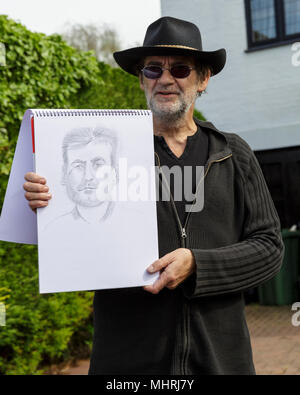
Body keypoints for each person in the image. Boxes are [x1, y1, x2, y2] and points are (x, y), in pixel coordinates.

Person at [23, 16, 284, 374]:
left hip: (220, 360)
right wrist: (40, 206)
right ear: (140, 78)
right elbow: (66, 235)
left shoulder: (234, 155)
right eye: (153, 69)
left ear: (203, 79)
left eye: (180, 69)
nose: (165, 79)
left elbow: (270, 248)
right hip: (127, 361)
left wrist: (197, 264)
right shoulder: (105, 154)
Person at [44, 127, 118, 228]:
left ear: (114, 173)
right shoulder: (53, 228)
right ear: (64, 174)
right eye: (78, 166)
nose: (88, 177)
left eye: (98, 164)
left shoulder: (139, 222)